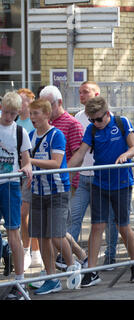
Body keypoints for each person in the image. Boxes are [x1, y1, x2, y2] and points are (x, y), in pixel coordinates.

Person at [68, 96, 134, 286]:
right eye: (92, 120)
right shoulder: (91, 130)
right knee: (97, 226)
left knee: (122, 226)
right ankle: (92, 271)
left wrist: (125, 154)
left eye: (99, 119)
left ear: (107, 114)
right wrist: (63, 171)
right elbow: (80, 155)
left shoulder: (121, 122)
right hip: (100, 183)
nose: (96, 123)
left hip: (122, 183)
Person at [28, 98, 82, 294]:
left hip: (57, 190)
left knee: (57, 235)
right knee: (42, 236)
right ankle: (51, 276)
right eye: (31, 114)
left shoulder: (56, 135)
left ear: (46, 115)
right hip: (37, 191)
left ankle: (72, 266)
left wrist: (29, 161)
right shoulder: (31, 135)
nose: (33, 117)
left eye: (36, 113)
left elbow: (57, 162)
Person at [70, 81, 119, 268]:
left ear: (97, 94)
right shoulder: (79, 118)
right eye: (80, 92)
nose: (82, 95)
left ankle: (111, 255)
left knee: (109, 220)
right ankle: (70, 257)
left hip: (103, 178)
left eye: (86, 92)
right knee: (74, 217)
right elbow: (79, 151)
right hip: (83, 177)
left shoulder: (110, 118)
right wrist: (66, 171)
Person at [39, 85, 88, 270]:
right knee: (55, 228)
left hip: (65, 184)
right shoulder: (45, 124)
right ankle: (77, 258)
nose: (44, 110)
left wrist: (63, 174)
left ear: (58, 103)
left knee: (57, 228)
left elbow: (78, 155)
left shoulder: (72, 124)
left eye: (47, 105)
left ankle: (64, 264)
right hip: (46, 184)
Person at [0, 91, 33, 299]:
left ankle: (20, 281)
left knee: (14, 232)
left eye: (13, 114)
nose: (8, 117)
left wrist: (28, 167)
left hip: (11, 185)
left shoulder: (20, 132)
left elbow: (26, 159)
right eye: (6, 112)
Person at [15, 88, 43, 270]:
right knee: (22, 214)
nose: (19, 104)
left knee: (27, 213)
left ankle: (32, 251)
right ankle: (31, 251)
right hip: (15, 172)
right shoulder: (15, 121)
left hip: (32, 173)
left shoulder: (33, 124)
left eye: (22, 101)